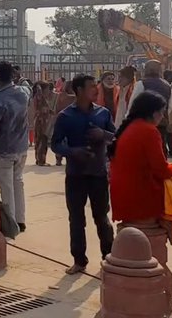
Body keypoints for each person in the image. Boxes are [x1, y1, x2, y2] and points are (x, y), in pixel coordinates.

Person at [51, 74, 115, 275]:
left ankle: (109, 256)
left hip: (98, 173)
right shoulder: (65, 116)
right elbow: (56, 144)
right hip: (76, 174)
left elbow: (116, 138)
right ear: (78, 90)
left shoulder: (103, 114)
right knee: (76, 219)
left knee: (102, 217)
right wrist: (72, 152)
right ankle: (79, 260)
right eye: (91, 87)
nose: (96, 90)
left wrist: (102, 135)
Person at [109, 91, 172, 224]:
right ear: (153, 113)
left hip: (122, 197)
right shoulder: (149, 131)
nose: (162, 117)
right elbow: (162, 171)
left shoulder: (128, 128)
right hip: (141, 199)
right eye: (161, 112)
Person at [0, 61, 30, 232]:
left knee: (7, 187)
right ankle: (20, 220)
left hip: (3, 149)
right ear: (12, 75)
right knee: (18, 182)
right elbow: (28, 87)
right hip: (21, 146)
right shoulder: (24, 93)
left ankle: (10, 224)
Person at [130, 59, 172, 157]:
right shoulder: (167, 85)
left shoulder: (141, 84)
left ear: (146, 70)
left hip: (142, 122)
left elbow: (133, 104)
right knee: (160, 148)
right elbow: (170, 107)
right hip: (161, 123)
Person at [32, 82, 56, 166]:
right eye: (47, 89)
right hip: (42, 121)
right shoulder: (40, 97)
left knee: (39, 140)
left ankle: (39, 159)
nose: (48, 91)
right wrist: (49, 111)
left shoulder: (38, 97)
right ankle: (41, 160)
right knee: (42, 140)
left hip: (39, 120)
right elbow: (42, 109)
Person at [53, 79, 76, 166]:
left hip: (62, 121)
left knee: (61, 141)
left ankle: (59, 159)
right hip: (72, 122)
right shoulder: (76, 97)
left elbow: (57, 108)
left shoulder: (61, 96)